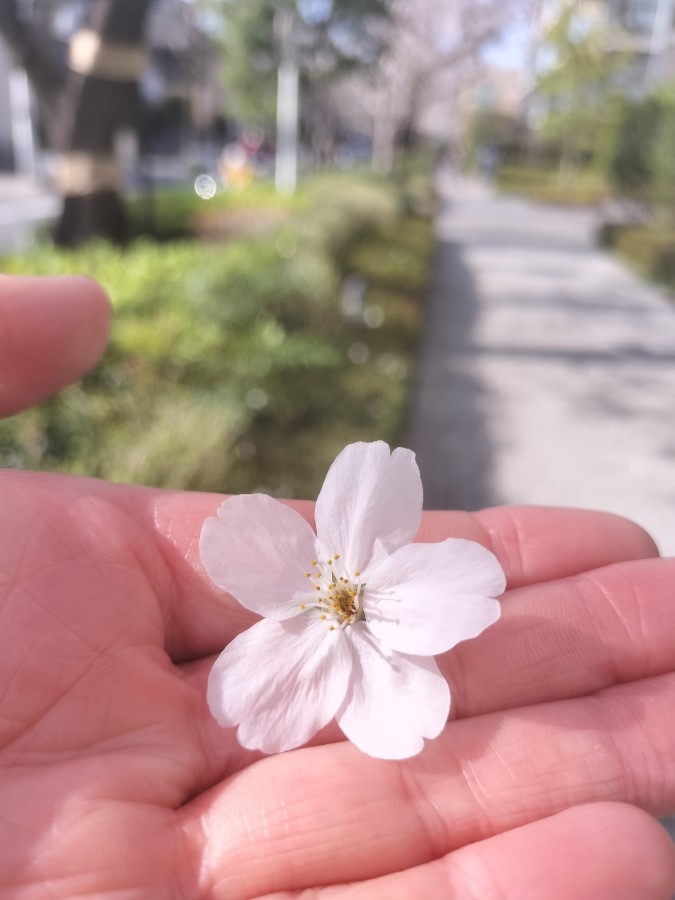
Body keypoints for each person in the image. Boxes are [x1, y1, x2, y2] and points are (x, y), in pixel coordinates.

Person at [0, 274, 674, 899]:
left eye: (340, 594)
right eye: (336, 594)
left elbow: (446, 594)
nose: (340, 599)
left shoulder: (356, 569)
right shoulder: (306, 594)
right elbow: (256, 589)